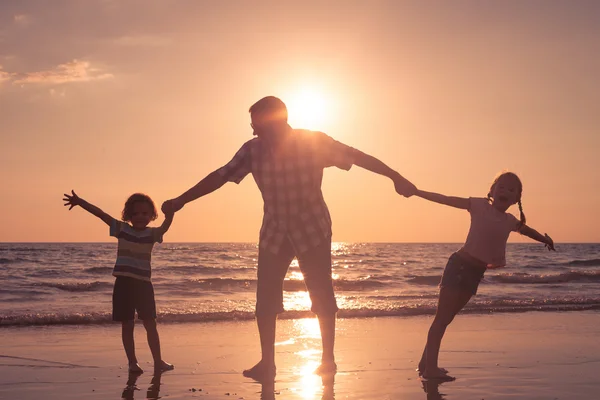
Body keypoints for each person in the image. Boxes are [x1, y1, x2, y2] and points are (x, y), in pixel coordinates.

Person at [162, 96, 416, 381]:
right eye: (253, 127)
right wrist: (182, 200)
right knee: (265, 298)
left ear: (278, 120)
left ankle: (328, 359)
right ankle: (267, 363)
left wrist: (396, 177)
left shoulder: (312, 142)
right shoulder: (252, 150)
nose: (256, 133)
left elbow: (357, 156)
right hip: (274, 230)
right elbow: (220, 176)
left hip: (312, 228)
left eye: (260, 126)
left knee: (321, 291)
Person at [413, 171, 555, 380]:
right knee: (441, 319)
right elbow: (447, 200)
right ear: (492, 191)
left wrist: (545, 239)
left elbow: (527, 231)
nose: (505, 191)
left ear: (516, 199)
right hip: (459, 266)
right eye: (501, 186)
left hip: (475, 273)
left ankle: (425, 364)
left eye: (511, 189)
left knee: (447, 319)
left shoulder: (510, 221)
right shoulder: (478, 205)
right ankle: (430, 370)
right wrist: (418, 192)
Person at [63, 191, 175, 374]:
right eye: (136, 213)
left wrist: (171, 213)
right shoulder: (122, 229)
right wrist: (80, 202)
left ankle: (158, 361)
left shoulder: (152, 234)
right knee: (127, 324)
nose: (140, 217)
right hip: (123, 284)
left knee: (150, 324)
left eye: (145, 213)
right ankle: (133, 363)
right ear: (128, 215)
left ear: (151, 215)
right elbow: (100, 214)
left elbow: (165, 227)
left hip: (144, 285)